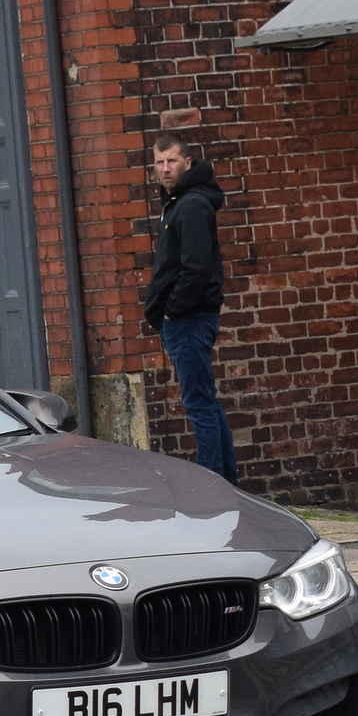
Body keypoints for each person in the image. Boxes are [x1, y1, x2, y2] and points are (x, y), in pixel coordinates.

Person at [142, 132, 235, 483]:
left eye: (172, 161)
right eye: (159, 163)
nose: (165, 169)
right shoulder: (179, 201)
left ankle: (214, 483)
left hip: (190, 318)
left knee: (198, 403)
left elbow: (195, 267)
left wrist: (173, 309)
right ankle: (226, 482)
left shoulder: (192, 204)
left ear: (188, 163)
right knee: (204, 400)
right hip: (186, 318)